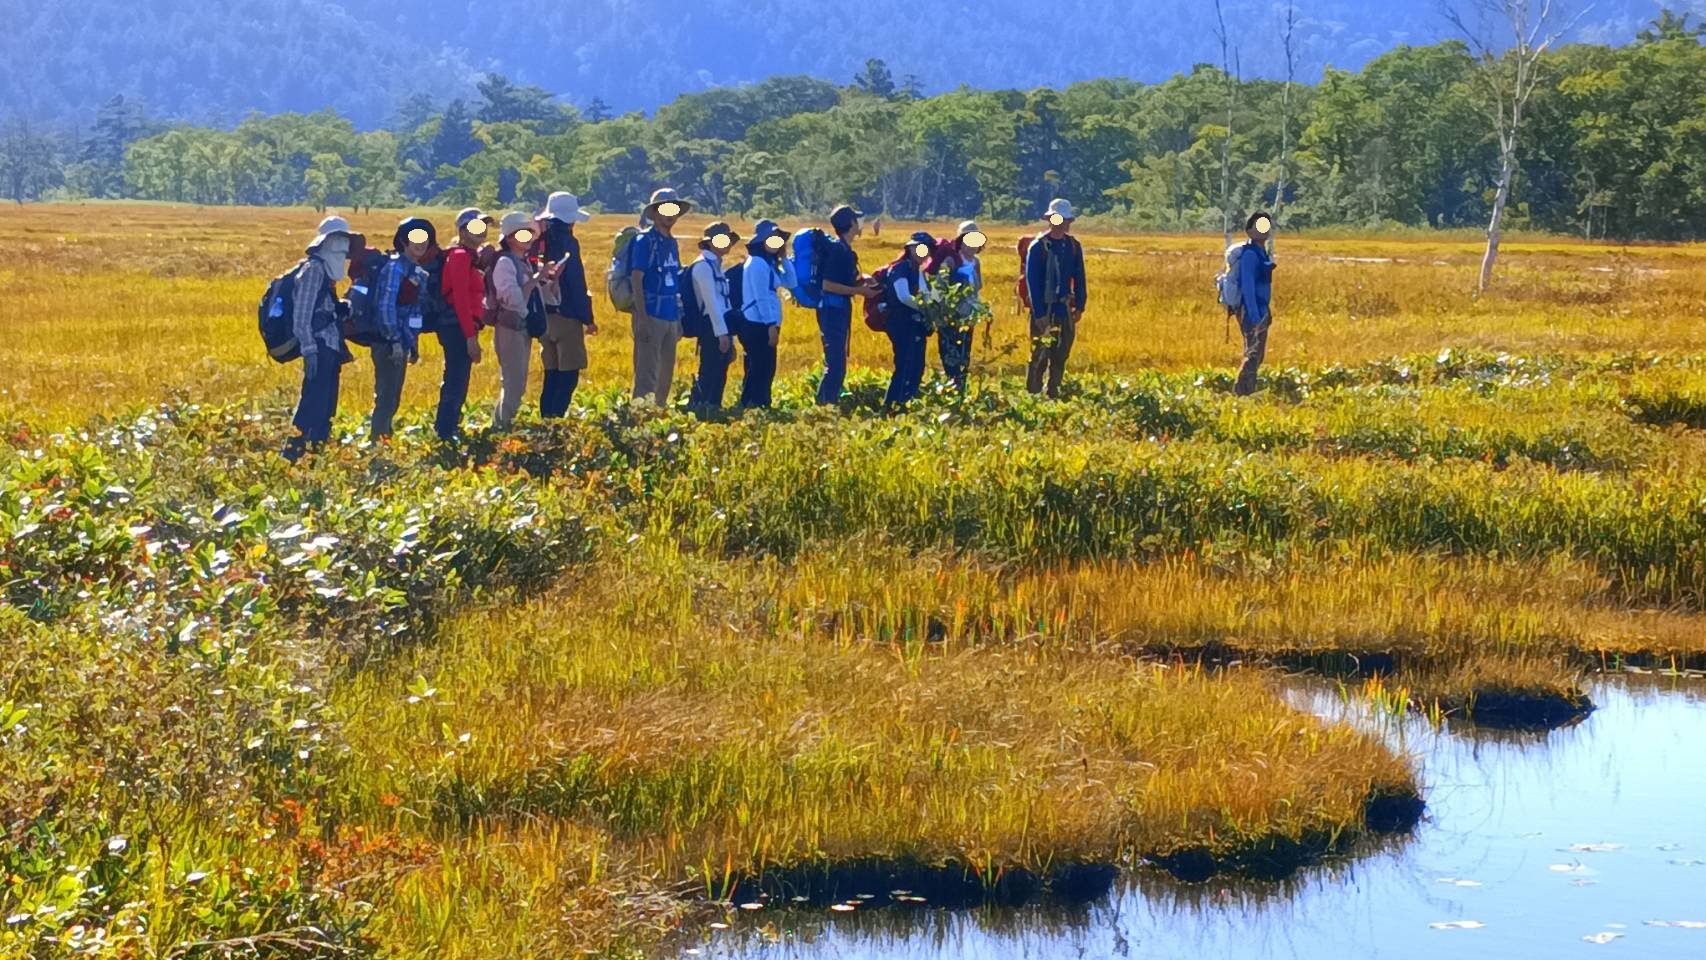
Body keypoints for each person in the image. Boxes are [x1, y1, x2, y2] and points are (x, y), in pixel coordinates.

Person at [282, 215, 354, 461]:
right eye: (337, 240)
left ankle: (315, 455)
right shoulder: (313, 270)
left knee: (326, 406)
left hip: (330, 347)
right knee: (312, 404)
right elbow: (302, 314)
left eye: (345, 241)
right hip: (319, 347)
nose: (342, 248)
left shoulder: (328, 274)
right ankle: (292, 456)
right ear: (325, 242)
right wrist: (309, 349)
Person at [367, 217, 433, 440]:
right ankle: (378, 440)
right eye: (415, 237)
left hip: (402, 344)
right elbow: (385, 306)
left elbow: (415, 312)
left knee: (393, 395)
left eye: (424, 238)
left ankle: (384, 437)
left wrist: (412, 344)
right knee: (385, 395)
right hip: (387, 342)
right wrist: (394, 339)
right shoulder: (394, 268)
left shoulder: (418, 273)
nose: (420, 243)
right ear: (403, 241)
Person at [536, 191, 597, 417]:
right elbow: (575, 283)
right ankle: (556, 424)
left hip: (544, 317)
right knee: (568, 375)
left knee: (550, 375)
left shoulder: (539, 241)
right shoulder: (568, 242)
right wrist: (587, 319)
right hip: (566, 317)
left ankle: (545, 422)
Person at [487, 212, 550, 430]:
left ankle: (501, 427)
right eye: (523, 233)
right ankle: (501, 430)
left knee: (517, 384)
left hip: (521, 329)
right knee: (513, 385)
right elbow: (513, 299)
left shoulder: (521, 262)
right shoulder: (505, 262)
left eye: (530, 233)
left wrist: (547, 279)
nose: (529, 237)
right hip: (510, 328)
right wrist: (537, 279)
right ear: (510, 237)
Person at [434, 208, 492, 440]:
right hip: (457, 326)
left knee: (459, 379)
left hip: (462, 325)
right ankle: (445, 432)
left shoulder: (469, 257)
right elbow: (459, 297)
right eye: (475, 227)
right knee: (456, 380)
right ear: (462, 231)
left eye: (483, 227)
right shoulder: (459, 256)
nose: (481, 231)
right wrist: (470, 337)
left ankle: (449, 428)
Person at [815, 204, 880, 405]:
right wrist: (860, 291)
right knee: (836, 364)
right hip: (832, 311)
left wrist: (863, 281)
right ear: (851, 224)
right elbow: (828, 284)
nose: (861, 224)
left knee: (837, 362)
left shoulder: (844, 250)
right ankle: (825, 406)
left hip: (837, 310)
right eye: (857, 220)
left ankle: (825, 403)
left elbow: (844, 281)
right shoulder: (838, 251)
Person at [1023, 198, 1087, 398]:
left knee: (1061, 354)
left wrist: (1080, 306)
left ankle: (1054, 391)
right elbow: (1032, 282)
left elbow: (1079, 277)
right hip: (1043, 310)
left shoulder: (1073, 246)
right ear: (1050, 220)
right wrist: (1039, 314)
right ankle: (1033, 393)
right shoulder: (1037, 247)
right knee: (1040, 354)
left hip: (1064, 309)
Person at [629, 187, 688, 405]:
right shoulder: (644, 241)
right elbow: (636, 279)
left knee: (666, 374)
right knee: (647, 374)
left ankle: (659, 414)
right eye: (665, 210)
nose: (670, 215)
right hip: (651, 314)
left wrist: (679, 318)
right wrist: (642, 319)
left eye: (673, 210)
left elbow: (676, 282)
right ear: (654, 213)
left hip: (671, 315)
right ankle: (640, 417)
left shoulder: (672, 243)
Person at [736, 219, 796, 409]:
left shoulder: (768, 263)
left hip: (764, 322)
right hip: (757, 323)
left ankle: (755, 403)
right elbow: (761, 297)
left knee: (762, 366)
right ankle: (756, 403)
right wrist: (770, 326)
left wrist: (785, 258)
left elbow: (792, 282)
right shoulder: (757, 264)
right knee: (761, 367)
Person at [685, 222, 739, 411]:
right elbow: (711, 303)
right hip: (711, 326)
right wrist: (722, 334)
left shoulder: (715, 265)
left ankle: (713, 408)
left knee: (720, 371)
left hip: (721, 324)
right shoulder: (703, 267)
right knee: (710, 370)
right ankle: (701, 407)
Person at [882, 232, 935, 407]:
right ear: (910, 248)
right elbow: (904, 297)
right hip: (901, 323)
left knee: (917, 365)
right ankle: (892, 404)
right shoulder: (901, 268)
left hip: (914, 324)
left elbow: (925, 295)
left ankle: (907, 400)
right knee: (904, 364)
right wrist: (926, 309)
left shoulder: (916, 270)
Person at [936, 220, 987, 390]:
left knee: (964, 356)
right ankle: (952, 390)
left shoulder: (976, 262)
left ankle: (960, 390)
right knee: (951, 357)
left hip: (968, 318)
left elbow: (977, 288)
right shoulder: (951, 261)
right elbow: (940, 288)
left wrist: (979, 310)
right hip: (950, 317)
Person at [1233, 211, 1277, 397]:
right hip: (1253, 310)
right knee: (1253, 353)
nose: (1263, 229)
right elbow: (1248, 286)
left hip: (1261, 309)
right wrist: (1255, 315)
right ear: (1249, 231)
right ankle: (1242, 392)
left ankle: (1247, 389)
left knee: (1257, 353)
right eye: (1259, 225)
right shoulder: (1250, 255)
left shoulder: (1261, 253)